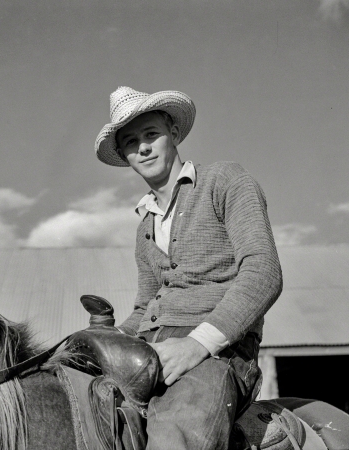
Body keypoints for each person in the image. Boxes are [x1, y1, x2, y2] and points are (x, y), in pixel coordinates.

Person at [94, 86, 283, 449]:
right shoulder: (144, 227)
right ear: (124, 156)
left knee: (172, 436)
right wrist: (107, 341)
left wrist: (196, 345)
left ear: (174, 134)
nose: (143, 147)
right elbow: (145, 306)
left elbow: (263, 271)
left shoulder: (224, 181)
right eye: (131, 142)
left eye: (151, 135)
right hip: (148, 349)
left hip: (217, 352)